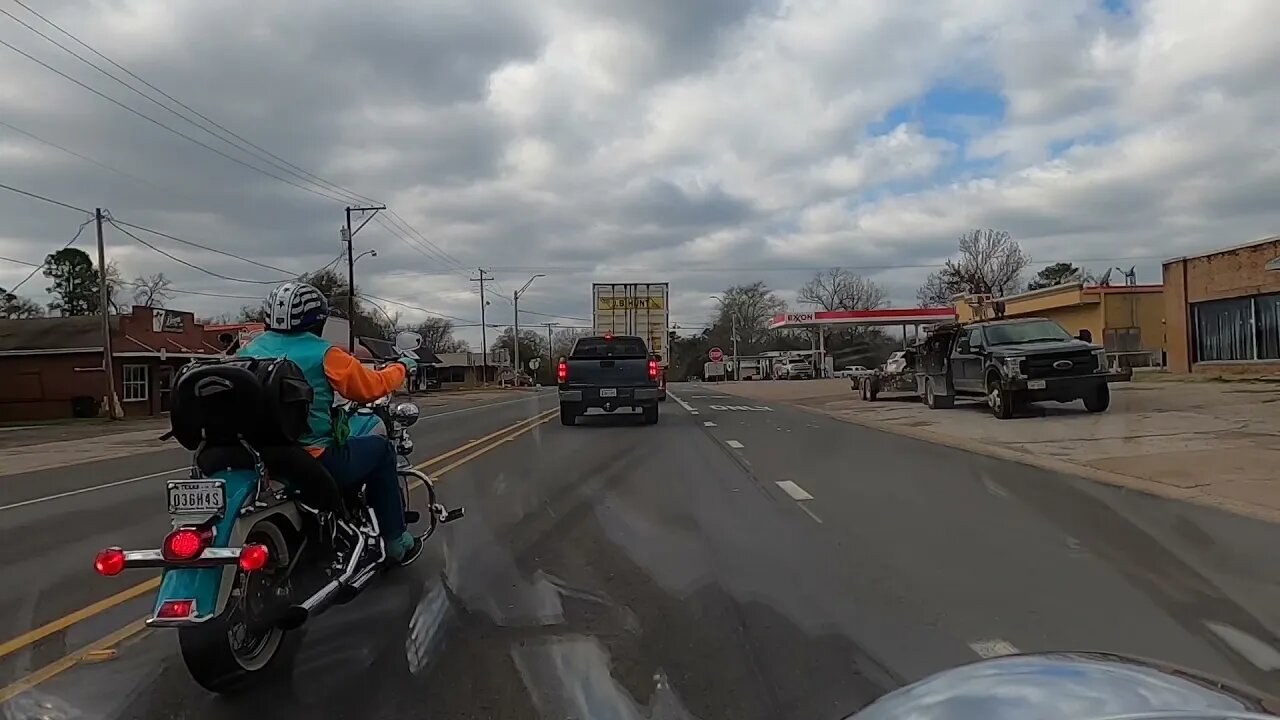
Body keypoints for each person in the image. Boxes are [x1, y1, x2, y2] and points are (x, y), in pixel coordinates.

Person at [239, 281, 421, 564]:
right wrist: (401, 368)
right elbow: (370, 388)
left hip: (258, 456)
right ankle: (395, 540)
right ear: (318, 320)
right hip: (313, 457)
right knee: (382, 450)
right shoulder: (325, 353)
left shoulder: (247, 353)